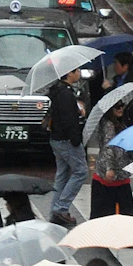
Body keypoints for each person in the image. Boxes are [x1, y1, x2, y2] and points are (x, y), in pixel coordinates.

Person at [46, 75, 87, 224]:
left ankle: (55, 212)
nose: (79, 73)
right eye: (76, 70)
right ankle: (60, 208)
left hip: (56, 138)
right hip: (66, 139)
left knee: (62, 175)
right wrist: (75, 139)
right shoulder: (66, 94)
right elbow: (68, 119)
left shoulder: (57, 90)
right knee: (81, 171)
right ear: (69, 73)